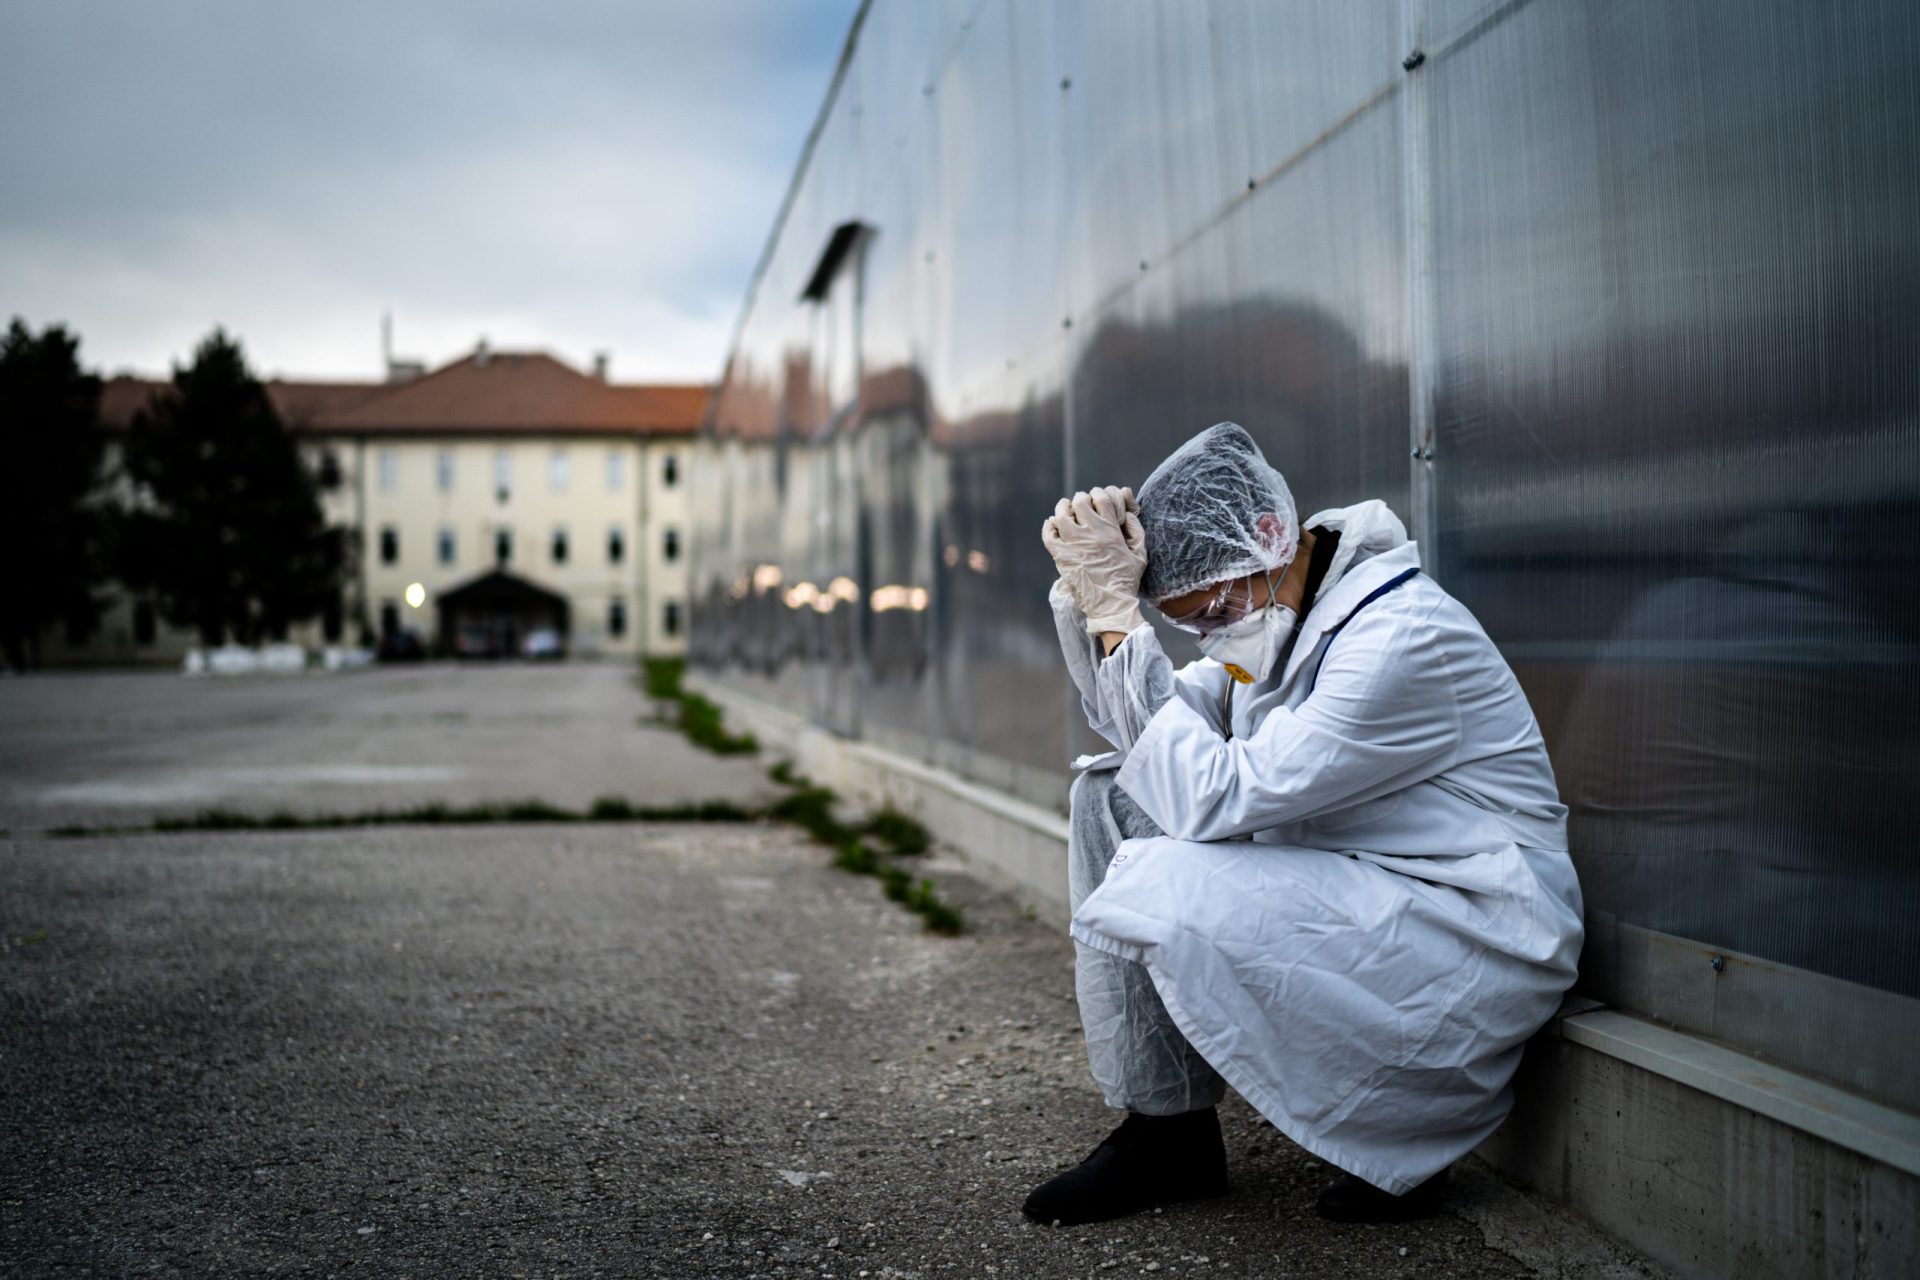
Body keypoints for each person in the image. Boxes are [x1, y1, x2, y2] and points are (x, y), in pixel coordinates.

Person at [1026, 422, 1583, 1226]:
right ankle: (1168, 1132)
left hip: (1469, 922)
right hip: (1363, 886)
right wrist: (1090, 602)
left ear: (1267, 536)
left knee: (1169, 872)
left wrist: (1121, 614)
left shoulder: (1400, 635)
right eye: (1196, 624)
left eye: (1214, 610)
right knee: (1113, 797)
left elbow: (1212, 797)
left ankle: (1407, 1129)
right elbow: (1148, 739)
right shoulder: (1283, 608)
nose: (1213, 635)